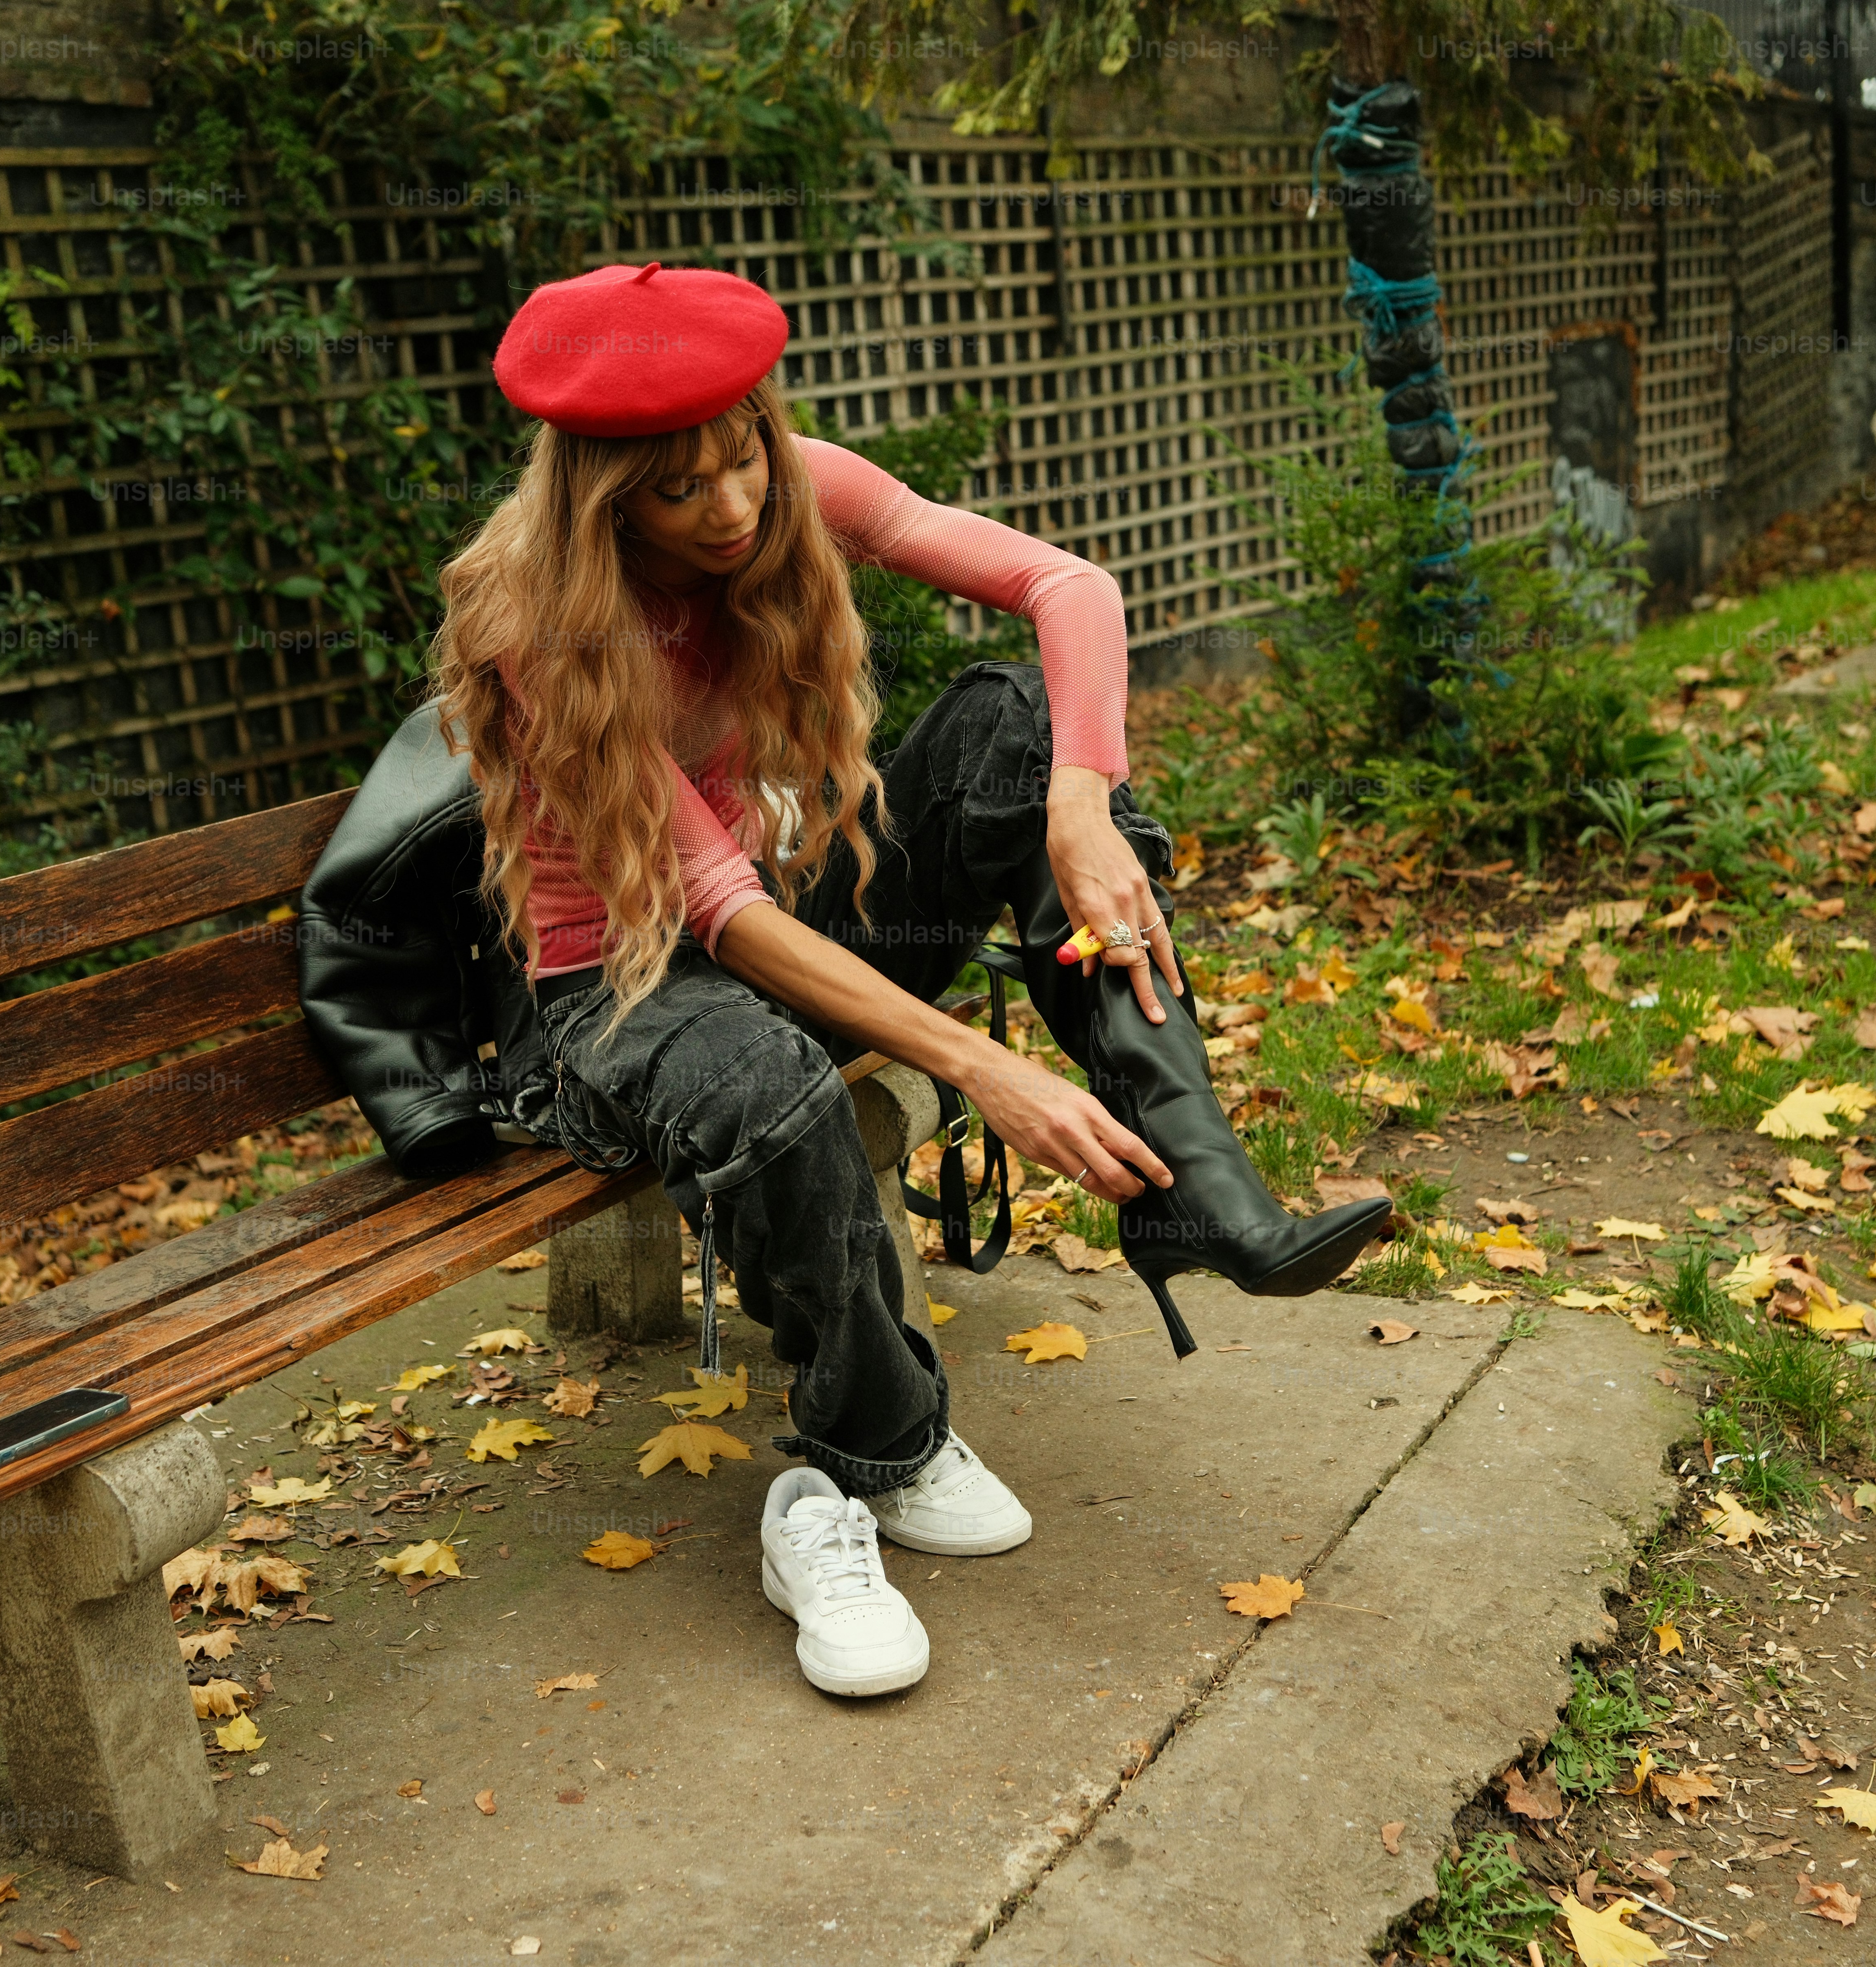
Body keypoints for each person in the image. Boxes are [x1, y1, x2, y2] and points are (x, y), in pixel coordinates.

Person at [421, 261, 1387, 1698]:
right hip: (615, 986)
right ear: (604, 496)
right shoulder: (541, 619)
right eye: (681, 492)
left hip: (782, 917)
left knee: (1010, 724)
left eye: (743, 453)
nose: (736, 505)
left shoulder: (793, 486)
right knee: (768, 1076)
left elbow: (1068, 586)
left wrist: (1076, 796)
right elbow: (721, 918)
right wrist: (986, 1069)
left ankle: (1199, 1191)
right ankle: (864, 1459)